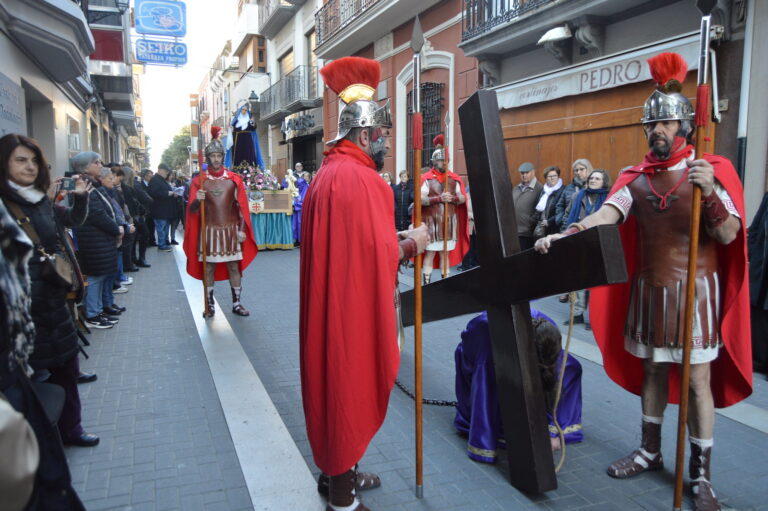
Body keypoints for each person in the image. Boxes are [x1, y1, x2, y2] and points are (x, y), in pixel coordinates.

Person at [535, 52, 751, 511]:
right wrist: (568, 233)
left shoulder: (709, 172)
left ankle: (702, 474)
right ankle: (651, 450)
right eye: (652, 125)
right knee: (653, 369)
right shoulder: (635, 180)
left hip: (696, 295)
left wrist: (710, 190)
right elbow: (605, 215)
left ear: (684, 128)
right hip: (649, 291)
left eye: (667, 125)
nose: (657, 132)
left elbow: (730, 233)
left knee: (696, 382)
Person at [300, 56, 430, 511]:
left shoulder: (327, 175)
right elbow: (375, 256)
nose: (388, 145)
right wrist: (412, 242)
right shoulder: (365, 181)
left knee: (333, 385)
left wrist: (392, 238)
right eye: (383, 136)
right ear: (364, 134)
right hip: (350, 312)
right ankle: (342, 497)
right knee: (348, 388)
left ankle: (341, 469)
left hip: (331, 304)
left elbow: (355, 245)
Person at [0, 134, 100, 448]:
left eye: (34, 160)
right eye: (20, 160)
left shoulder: (40, 198)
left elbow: (69, 224)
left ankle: (72, 430)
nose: (30, 166)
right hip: (18, 311)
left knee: (66, 371)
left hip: (55, 299)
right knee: (23, 383)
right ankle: (34, 444)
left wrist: (80, 198)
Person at [454, 307, 583, 463]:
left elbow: (557, 373)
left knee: (571, 368)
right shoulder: (487, 347)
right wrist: (484, 446)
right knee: (494, 386)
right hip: (486, 359)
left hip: (528, 351)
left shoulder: (548, 332)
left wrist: (550, 431)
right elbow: (484, 394)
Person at [184, 130, 258, 317]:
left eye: (219, 156)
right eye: (213, 156)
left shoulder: (234, 180)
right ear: (208, 158)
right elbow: (192, 212)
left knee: (234, 266)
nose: (216, 159)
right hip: (208, 230)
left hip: (230, 230)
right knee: (208, 267)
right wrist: (195, 200)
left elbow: (241, 207)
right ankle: (209, 305)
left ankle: (236, 303)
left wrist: (242, 230)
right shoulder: (198, 182)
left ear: (223, 157)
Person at [71, 152, 123, 329]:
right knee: (95, 278)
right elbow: (96, 213)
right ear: (85, 167)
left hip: (98, 239)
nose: (100, 165)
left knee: (101, 276)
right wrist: (116, 229)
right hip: (93, 240)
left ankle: (99, 309)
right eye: (96, 162)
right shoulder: (83, 184)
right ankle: (93, 314)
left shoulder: (92, 183)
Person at [561, 168, 611, 328]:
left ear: (604, 182)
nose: (593, 180)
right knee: (578, 281)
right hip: (578, 243)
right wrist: (565, 235)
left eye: (597, 178)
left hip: (598, 245)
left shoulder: (609, 198)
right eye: (591, 178)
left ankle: (592, 318)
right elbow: (568, 216)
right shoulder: (578, 196)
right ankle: (577, 314)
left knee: (595, 284)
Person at [419, 134, 469, 284]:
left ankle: (444, 283)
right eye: (440, 160)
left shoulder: (454, 178)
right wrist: (439, 199)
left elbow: (462, 198)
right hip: (431, 223)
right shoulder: (426, 178)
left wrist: (452, 198)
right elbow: (420, 199)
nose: (443, 162)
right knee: (430, 254)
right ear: (434, 161)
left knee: (445, 254)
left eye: (444, 160)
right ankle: (426, 284)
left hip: (449, 222)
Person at [555, 159, 592, 232]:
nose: (578, 172)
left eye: (581, 169)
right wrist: (561, 219)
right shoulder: (569, 187)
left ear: (588, 169)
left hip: (587, 226)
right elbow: (560, 205)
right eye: (576, 170)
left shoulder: (593, 187)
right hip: (568, 226)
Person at [513, 162, 543, 251]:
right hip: (514, 232)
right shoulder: (516, 188)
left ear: (533, 172)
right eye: (522, 173)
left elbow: (540, 210)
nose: (524, 175)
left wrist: (531, 222)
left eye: (527, 172)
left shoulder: (539, 188)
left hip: (527, 233)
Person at [147, 163, 176, 252]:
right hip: (159, 210)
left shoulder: (161, 180)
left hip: (164, 210)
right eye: (166, 171)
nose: (167, 173)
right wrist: (167, 193)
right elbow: (153, 193)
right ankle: (161, 245)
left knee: (164, 228)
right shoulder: (155, 180)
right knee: (161, 228)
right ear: (160, 170)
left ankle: (163, 243)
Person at [532, 165, 565, 238]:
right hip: (541, 228)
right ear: (546, 178)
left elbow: (563, 211)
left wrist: (549, 222)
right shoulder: (543, 190)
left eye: (555, 176)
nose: (552, 178)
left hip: (555, 228)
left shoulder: (563, 190)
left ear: (558, 177)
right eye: (549, 176)